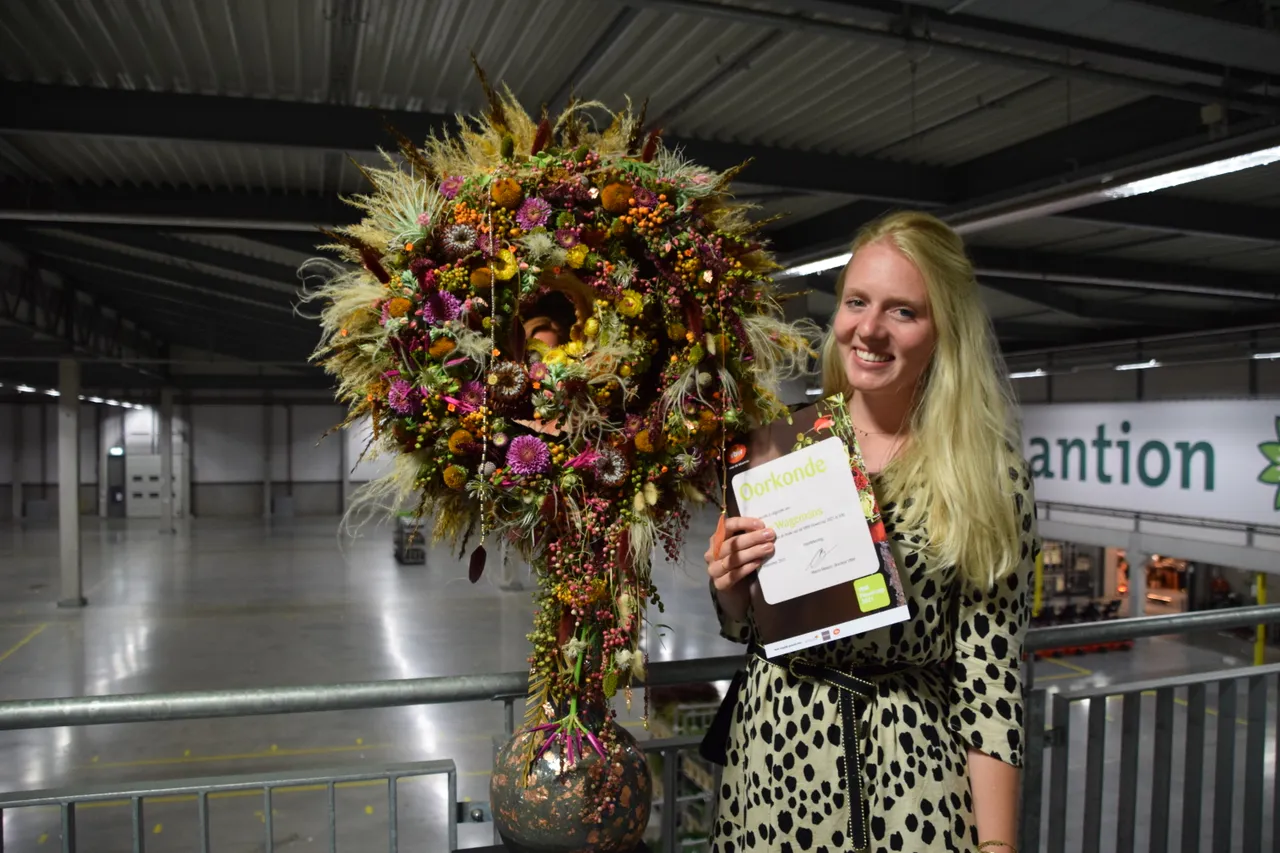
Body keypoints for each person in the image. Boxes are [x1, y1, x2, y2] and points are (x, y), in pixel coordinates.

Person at [704, 211, 1039, 853]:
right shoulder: (777, 443)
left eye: (903, 311)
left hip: (912, 773)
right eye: (857, 301)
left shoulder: (986, 476)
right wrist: (728, 585)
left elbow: (990, 677)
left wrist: (997, 847)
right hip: (775, 762)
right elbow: (751, 627)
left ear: (946, 331)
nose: (870, 330)